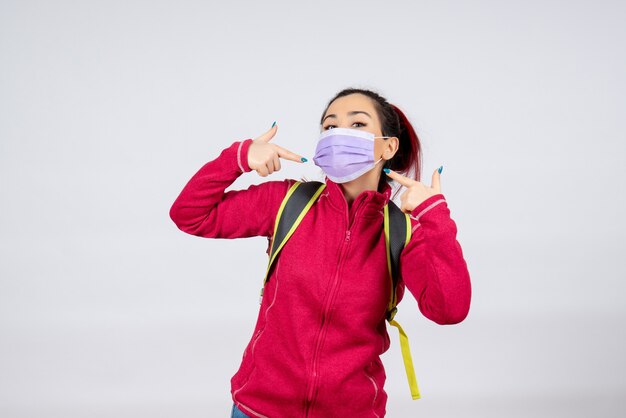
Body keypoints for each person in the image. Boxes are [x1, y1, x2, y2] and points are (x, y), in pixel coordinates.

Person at [169, 87, 472, 418]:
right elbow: (189, 214)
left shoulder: (401, 231)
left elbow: (449, 309)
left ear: (388, 146)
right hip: (259, 409)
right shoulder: (287, 202)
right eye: (330, 126)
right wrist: (238, 158)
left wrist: (434, 217)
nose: (338, 133)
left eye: (357, 124)